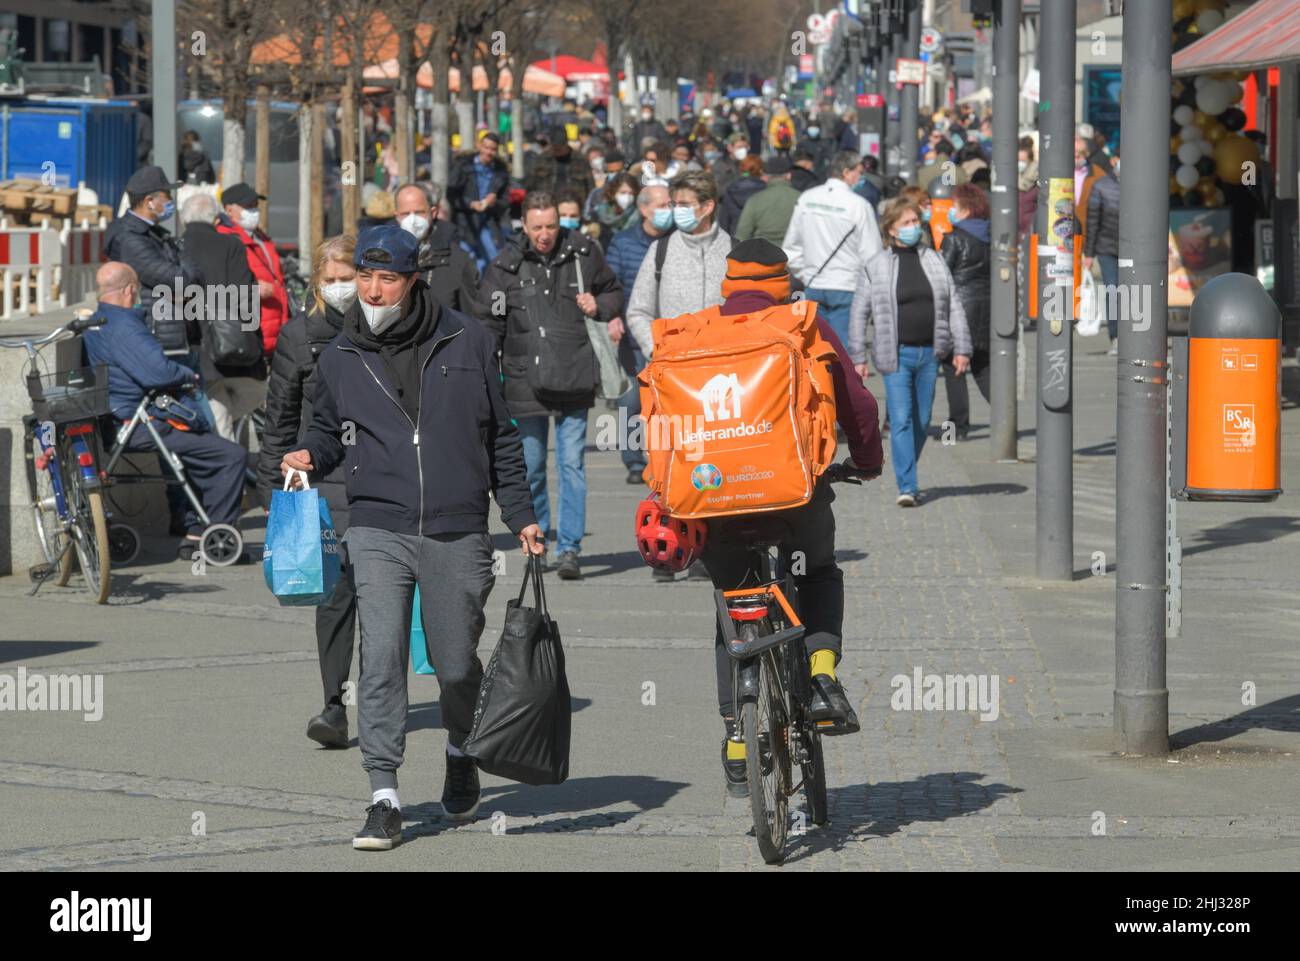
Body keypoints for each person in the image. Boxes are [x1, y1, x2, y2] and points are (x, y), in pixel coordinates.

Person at [280, 225, 543, 851]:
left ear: (412, 279)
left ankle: (460, 751)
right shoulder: (340, 355)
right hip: (376, 524)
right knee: (382, 655)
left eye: (385, 278)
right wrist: (307, 457)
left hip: (456, 525)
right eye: (363, 278)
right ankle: (383, 796)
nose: (371, 290)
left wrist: (521, 512)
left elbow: (500, 435)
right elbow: (324, 428)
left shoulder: (467, 338)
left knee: (455, 663)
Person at [699, 239, 883, 797]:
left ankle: (736, 733)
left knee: (733, 600)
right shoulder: (805, 326)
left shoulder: (698, 331)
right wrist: (867, 463)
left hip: (717, 503)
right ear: (783, 281)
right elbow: (859, 405)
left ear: (728, 281)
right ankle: (822, 675)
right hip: (795, 498)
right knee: (816, 573)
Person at [475, 192, 623, 581]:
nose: (545, 234)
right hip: (525, 383)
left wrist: (600, 306)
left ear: (562, 224)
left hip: (575, 376)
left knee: (572, 464)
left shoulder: (584, 253)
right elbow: (489, 324)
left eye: (552, 226)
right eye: (538, 227)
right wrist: (487, 374)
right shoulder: (505, 267)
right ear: (524, 226)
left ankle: (570, 548)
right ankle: (536, 538)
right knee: (532, 467)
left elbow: (613, 291)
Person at [259, 235, 359, 748]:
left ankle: (383, 700)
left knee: (383, 596)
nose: (340, 288)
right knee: (336, 594)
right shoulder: (300, 336)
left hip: (383, 479)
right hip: (321, 479)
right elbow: (278, 418)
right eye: (331, 280)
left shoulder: (385, 329)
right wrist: (273, 494)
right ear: (317, 284)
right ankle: (334, 704)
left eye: (348, 278)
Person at [84, 262, 247, 556]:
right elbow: (158, 372)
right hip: (141, 425)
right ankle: (214, 533)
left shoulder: (98, 322)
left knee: (203, 452)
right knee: (230, 455)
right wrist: (188, 375)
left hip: (125, 421)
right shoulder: (124, 326)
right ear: (130, 290)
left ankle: (194, 528)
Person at [625, 170, 730, 582]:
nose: (676, 212)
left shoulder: (732, 251)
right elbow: (637, 310)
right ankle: (666, 546)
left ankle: (710, 549)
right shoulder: (662, 252)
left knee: (714, 468)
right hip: (670, 382)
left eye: (684, 204)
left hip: (719, 386)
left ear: (707, 207)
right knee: (668, 466)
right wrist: (656, 349)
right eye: (674, 203)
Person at [848, 199, 971, 506]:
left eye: (915, 221)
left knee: (922, 419)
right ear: (891, 229)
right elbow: (859, 311)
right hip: (896, 354)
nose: (913, 227)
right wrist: (857, 357)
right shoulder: (877, 264)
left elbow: (953, 303)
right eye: (906, 223)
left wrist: (962, 347)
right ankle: (907, 485)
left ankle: (907, 468)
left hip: (931, 352)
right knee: (901, 418)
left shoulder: (933, 259)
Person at [179, 192, 268, 442]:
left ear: (183, 220)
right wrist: (255, 341)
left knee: (219, 421)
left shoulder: (176, 246)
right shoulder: (231, 245)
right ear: (216, 218)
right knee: (228, 419)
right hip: (235, 351)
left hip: (196, 354)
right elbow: (247, 297)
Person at [605, 184, 673, 485]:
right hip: (634, 336)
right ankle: (634, 461)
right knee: (632, 400)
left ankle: (665, 460)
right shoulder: (623, 243)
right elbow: (610, 285)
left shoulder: (678, 240)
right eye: (662, 204)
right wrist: (614, 317)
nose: (668, 210)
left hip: (672, 334)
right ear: (644, 209)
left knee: (668, 403)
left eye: (670, 203)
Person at [782, 150, 881, 348]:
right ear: (846, 173)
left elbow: (791, 247)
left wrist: (807, 273)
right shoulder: (859, 205)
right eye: (859, 172)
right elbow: (873, 255)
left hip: (813, 284)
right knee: (844, 352)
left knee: (817, 350)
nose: (861, 177)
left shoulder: (807, 199)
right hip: (847, 286)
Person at [938, 184, 992, 439]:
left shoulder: (954, 238)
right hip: (986, 312)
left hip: (960, 310)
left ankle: (958, 425)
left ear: (966, 209)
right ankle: (1004, 414)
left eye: (954, 207)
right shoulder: (992, 235)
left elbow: (941, 275)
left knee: (954, 366)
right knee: (983, 367)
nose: (951, 211)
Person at [217, 182, 289, 357]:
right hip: (254, 327)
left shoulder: (260, 237)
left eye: (255, 206)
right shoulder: (224, 239)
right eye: (248, 206)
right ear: (229, 210)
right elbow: (220, 284)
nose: (254, 211)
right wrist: (253, 290)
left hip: (276, 323)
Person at [393, 181, 479, 314]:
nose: (413, 220)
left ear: (433, 212)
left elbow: (473, 314)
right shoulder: (384, 256)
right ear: (397, 216)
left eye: (419, 212)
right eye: (405, 214)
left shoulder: (458, 260)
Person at [447, 132, 510, 270]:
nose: (488, 152)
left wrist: (494, 202)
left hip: (488, 222)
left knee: (492, 260)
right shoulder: (463, 167)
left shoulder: (501, 172)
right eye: (486, 147)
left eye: (492, 149)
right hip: (465, 222)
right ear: (479, 146)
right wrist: (470, 204)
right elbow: (451, 195)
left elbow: (505, 202)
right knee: (464, 261)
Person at [1083, 156, 1121, 355]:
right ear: (1115, 161)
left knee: (1136, 291)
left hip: (1133, 248)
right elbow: (1092, 221)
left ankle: (1134, 336)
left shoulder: (1140, 183)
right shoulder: (1101, 186)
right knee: (1113, 289)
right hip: (1107, 248)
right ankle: (1115, 337)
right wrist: (1088, 254)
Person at [734, 156, 799, 246]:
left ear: (765, 177)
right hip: (794, 256)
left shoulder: (755, 200)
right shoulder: (801, 199)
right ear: (789, 175)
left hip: (762, 255)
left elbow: (742, 236)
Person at [525, 124, 596, 200]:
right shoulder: (542, 159)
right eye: (555, 148)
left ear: (566, 144)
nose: (557, 152)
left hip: (573, 206)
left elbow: (590, 186)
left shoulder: (580, 160)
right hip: (548, 204)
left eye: (560, 148)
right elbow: (530, 185)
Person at [716, 154, 765, 237]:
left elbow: (724, 221)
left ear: (741, 169)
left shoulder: (731, 189)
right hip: (762, 239)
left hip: (736, 238)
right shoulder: (766, 189)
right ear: (761, 170)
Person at [589, 171, 641, 242]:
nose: (627, 197)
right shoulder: (599, 214)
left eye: (631, 193)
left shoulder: (640, 215)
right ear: (613, 192)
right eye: (623, 192)